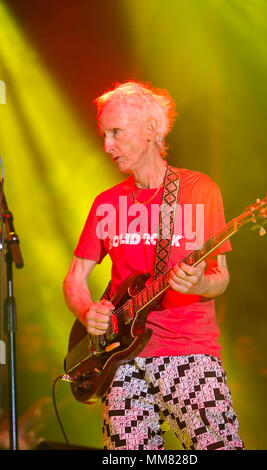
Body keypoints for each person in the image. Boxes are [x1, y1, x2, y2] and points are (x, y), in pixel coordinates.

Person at [63, 81, 244, 450]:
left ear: (150, 129)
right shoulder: (106, 203)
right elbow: (74, 280)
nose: (107, 146)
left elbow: (219, 276)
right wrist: (87, 311)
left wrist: (197, 285)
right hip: (121, 362)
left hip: (190, 353)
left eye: (116, 133)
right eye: (103, 135)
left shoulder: (199, 190)